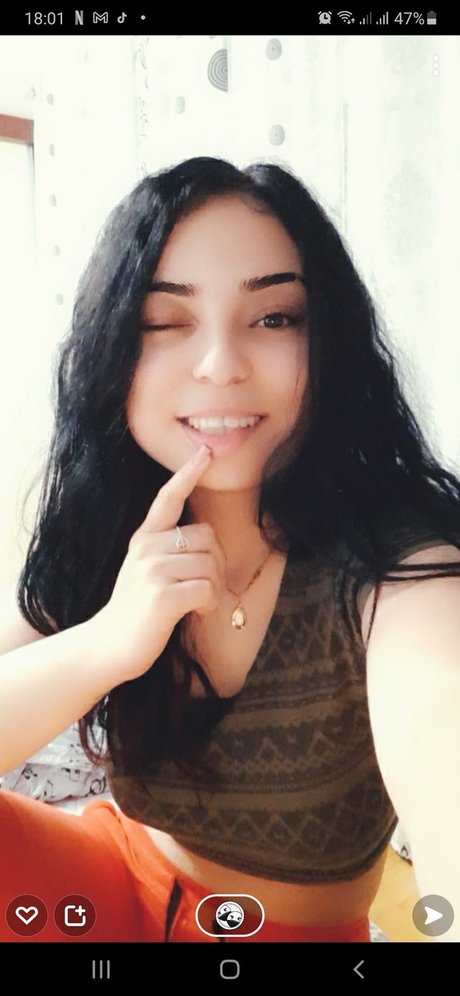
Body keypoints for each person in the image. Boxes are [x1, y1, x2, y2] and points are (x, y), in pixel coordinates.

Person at [1, 156, 460, 944]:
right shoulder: (112, 522)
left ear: (329, 339)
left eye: (274, 317)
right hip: (108, 882)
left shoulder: (396, 563)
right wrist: (110, 643)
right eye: (163, 322)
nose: (220, 365)